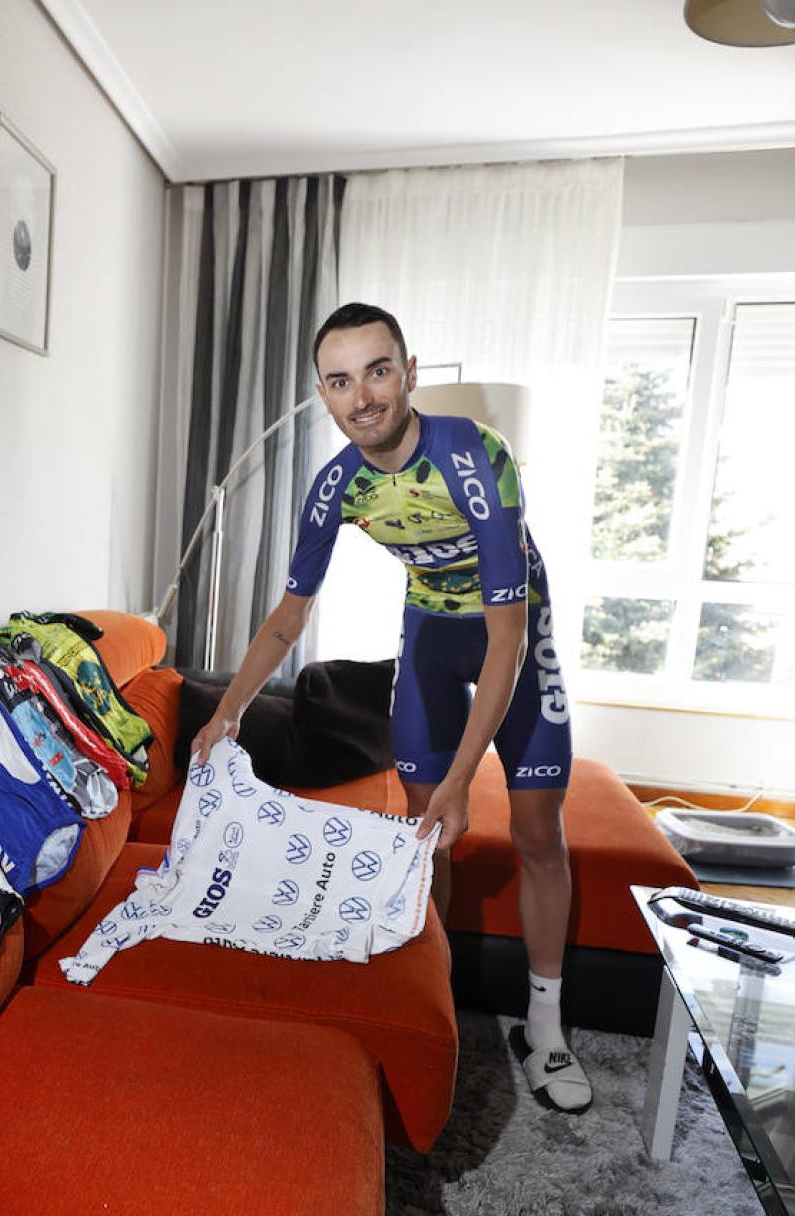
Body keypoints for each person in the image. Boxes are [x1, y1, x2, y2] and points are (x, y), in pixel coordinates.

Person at [188, 301, 590, 1114]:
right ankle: (430, 1005)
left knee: (539, 830)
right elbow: (289, 614)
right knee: (425, 836)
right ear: (324, 394)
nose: (361, 396)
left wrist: (465, 779)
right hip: (432, 638)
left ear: (408, 374)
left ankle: (545, 1029)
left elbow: (508, 638)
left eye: (377, 371)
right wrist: (225, 712)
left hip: (513, 629)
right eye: (340, 381)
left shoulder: (476, 456)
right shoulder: (338, 483)